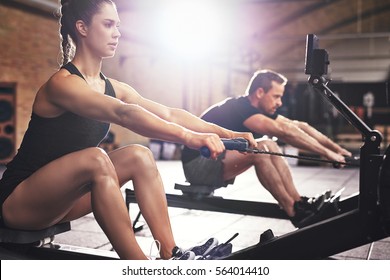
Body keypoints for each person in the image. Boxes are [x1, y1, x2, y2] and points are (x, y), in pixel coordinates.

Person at [0, 0, 255, 260]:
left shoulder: (111, 86)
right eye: (108, 24)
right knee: (96, 159)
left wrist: (226, 133)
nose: (117, 33)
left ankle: (171, 254)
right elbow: (122, 113)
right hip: (19, 202)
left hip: (63, 200)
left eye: (118, 26)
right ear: (82, 28)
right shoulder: (62, 84)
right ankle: (140, 267)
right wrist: (188, 138)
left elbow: (169, 113)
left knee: (139, 155)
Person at [181, 69, 352, 228]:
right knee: (260, 149)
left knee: (269, 144)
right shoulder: (240, 108)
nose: (279, 102)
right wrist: (328, 155)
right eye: (276, 96)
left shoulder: (255, 108)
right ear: (260, 93)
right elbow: (284, 132)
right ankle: (294, 211)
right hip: (197, 166)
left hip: (215, 159)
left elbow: (299, 126)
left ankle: (299, 203)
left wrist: (337, 150)